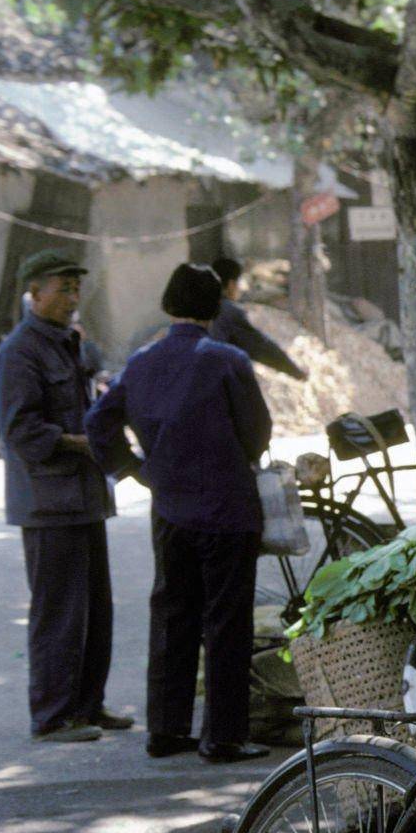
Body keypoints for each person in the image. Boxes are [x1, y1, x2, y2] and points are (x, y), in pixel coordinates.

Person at [87, 263, 274, 764]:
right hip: (228, 507)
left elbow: (98, 423)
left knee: (172, 617)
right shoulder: (228, 359)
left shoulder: (142, 361)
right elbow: (257, 433)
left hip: (170, 507)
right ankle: (224, 736)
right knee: (226, 622)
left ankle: (167, 731)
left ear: (169, 304)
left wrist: (136, 469)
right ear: (216, 308)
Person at [0, 248, 125, 743]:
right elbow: (20, 432)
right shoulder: (19, 352)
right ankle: (52, 716)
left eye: (75, 288)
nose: (72, 298)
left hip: (85, 497)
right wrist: (79, 443)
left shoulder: (69, 344)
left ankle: (88, 705)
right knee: (59, 611)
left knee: (95, 608)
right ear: (34, 293)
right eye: (62, 289)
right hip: (49, 503)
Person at [208, 257, 308, 381]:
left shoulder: (191, 308)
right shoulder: (227, 312)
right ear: (231, 284)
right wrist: (296, 372)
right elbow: (261, 348)